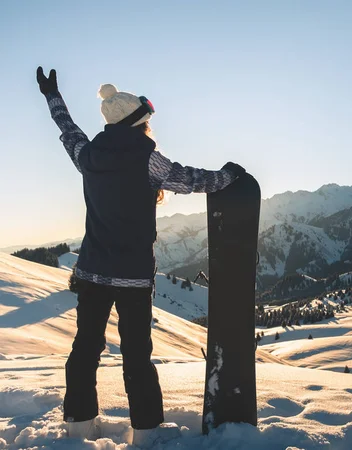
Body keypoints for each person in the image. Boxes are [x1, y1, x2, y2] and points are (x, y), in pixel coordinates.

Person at [36, 67, 245, 447]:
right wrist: (227, 175)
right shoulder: (147, 158)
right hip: (132, 276)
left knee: (85, 348)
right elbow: (190, 180)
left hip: (93, 272)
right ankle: (146, 432)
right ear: (139, 122)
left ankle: (79, 426)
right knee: (136, 355)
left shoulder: (88, 154)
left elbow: (67, 129)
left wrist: (52, 95)